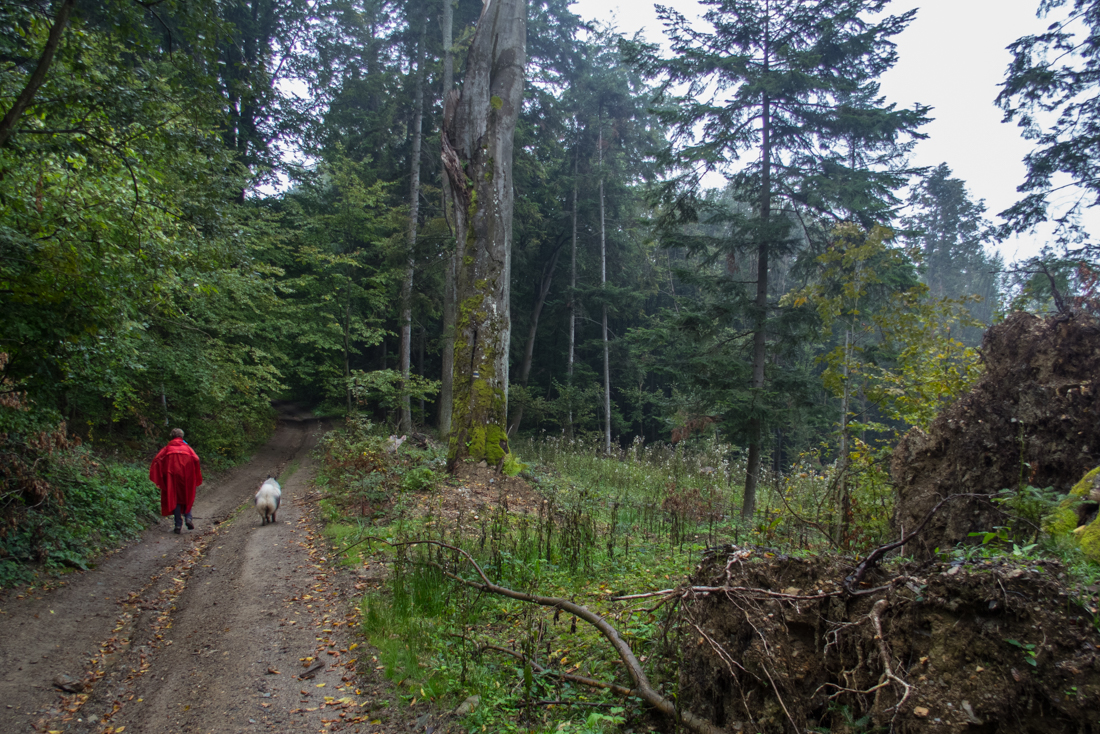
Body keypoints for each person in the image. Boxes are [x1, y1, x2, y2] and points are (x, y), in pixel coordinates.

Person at [149, 428, 203, 534]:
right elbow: (196, 459)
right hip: (186, 477)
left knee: (174, 499)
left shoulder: (167, 448)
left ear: (172, 436)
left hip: (171, 478)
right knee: (187, 496)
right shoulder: (187, 448)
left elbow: (157, 460)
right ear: (181, 437)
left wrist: (162, 473)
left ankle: (178, 524)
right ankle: (188, 517)